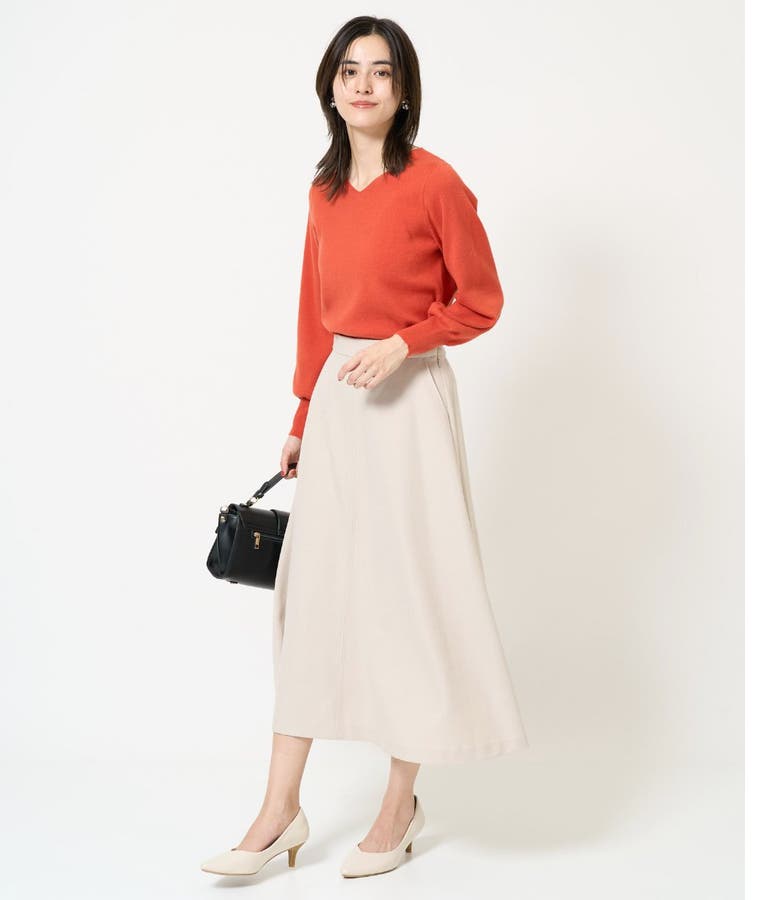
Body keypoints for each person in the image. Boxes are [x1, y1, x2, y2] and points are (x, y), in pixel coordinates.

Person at [201, 14, 529, 880]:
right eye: (349, 70)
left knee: (408, 594)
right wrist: (303, 413)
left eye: (381, 71)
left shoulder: (437, 184)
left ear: (404, 90)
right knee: (310, 597)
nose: (363, 84)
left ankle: (399, 805)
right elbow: (315, 313)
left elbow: (482, 301)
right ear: (330, 85)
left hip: (410, 402)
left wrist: (405, 344)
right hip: (341, 408)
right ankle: (279, 810)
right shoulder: (324, 193)